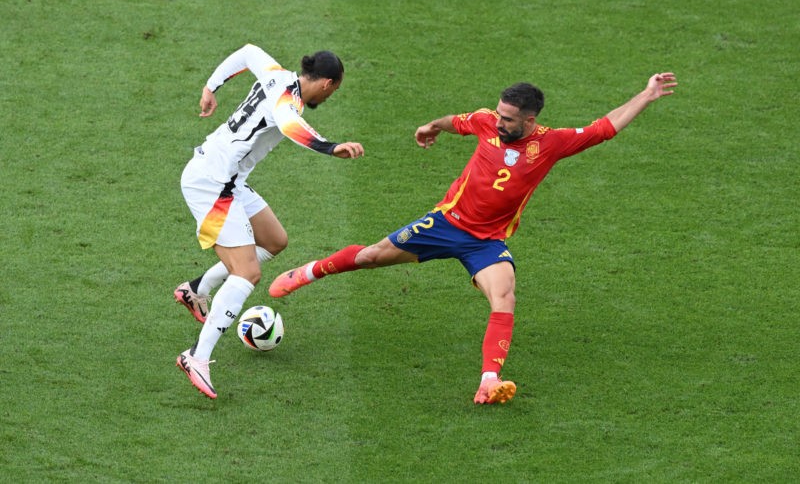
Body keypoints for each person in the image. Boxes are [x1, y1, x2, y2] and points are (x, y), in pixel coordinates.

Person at [268, 72, 678, 404]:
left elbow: (606, 127)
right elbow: (456, 121)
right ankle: (309, 272)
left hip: (487, 242)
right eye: (499, 115)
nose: (499, 122)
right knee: (373, 256)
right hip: (446, 224)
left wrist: (645, 95)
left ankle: (489, 380)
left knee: (505, 297)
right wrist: (432, 127)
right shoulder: (486, 121)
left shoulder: (551, 144)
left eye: (509, 119)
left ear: (530, 120)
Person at [175, 43, 364, 399]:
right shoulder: (287, 104)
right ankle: (197, 357)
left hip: (228, 180)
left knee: (274, 240)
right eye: (334, 90)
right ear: (327, 84)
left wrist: (211, 87)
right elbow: (292, 126)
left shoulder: (277, 74)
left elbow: (247, 52)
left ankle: (196, 289)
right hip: (213, 186)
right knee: (247, 272)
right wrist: (331, 147)